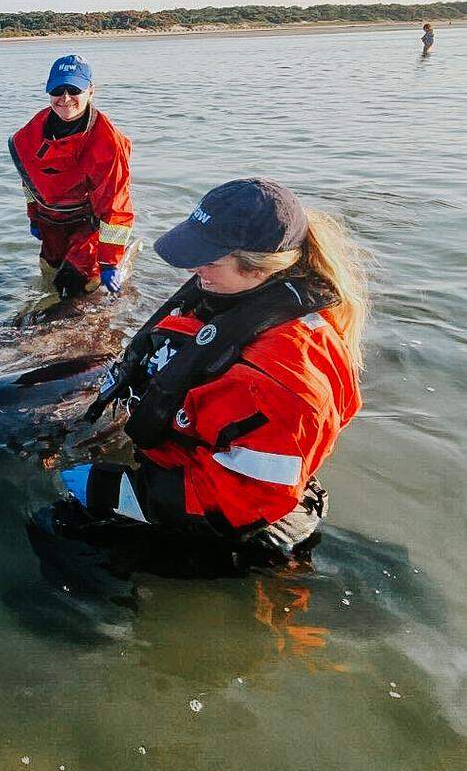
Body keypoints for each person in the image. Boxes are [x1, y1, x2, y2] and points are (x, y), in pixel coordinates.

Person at [33, 179, 365, 564]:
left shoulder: (279, 378)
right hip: (213, 469)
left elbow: (241, 503)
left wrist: (117, 490)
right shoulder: (234, 296)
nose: (194, 269)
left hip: (241, 518)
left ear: (257, 268)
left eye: (209, 261)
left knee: (54, 532)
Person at [9, 54, 134, 297]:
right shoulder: (30, 134)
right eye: (58, 90)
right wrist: (33, 216)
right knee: (50, 274)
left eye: (73, 89)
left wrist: (109, 262)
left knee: (78, 282)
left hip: (87, 222)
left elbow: (115, 206)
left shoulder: (108, 143)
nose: (65, 98)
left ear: (90, 90)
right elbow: (29, 182)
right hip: (49, 221)